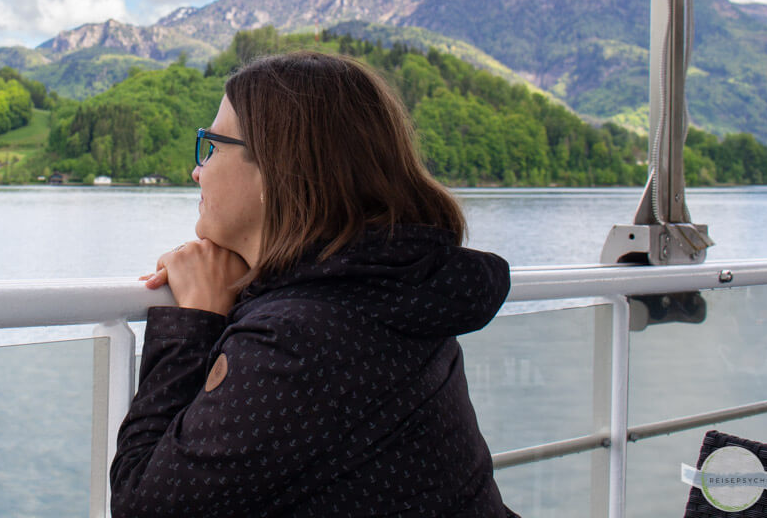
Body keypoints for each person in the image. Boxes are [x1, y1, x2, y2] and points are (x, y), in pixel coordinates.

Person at [110, 50, 518, 517]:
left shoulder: (299, 340)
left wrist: (193, 321)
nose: (196, 170)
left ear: (278, 167)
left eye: (213, 145)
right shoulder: (395, 288)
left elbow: (143, 507)